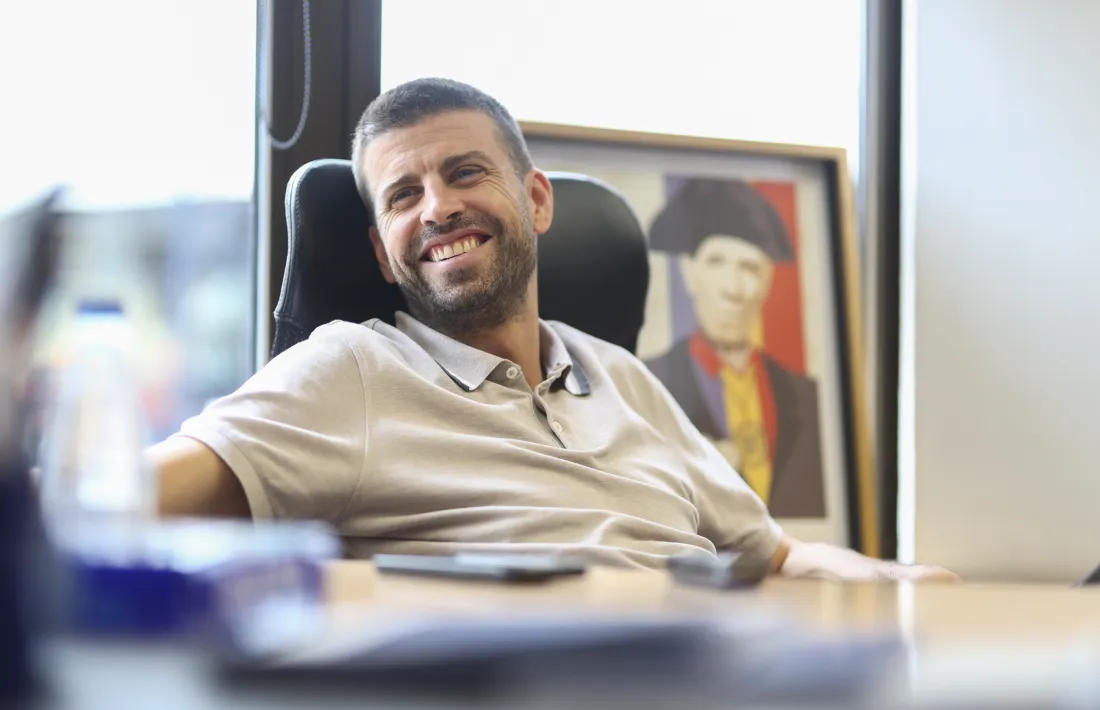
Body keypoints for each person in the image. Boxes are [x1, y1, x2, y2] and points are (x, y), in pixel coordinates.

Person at [148, 77, 957, 583]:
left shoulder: (622, 375)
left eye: (465, 172)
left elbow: (780, 555)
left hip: (710, 669)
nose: (437, 208)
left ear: (536, 201)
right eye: (402, 196)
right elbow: (127, 499)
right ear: (382, 254)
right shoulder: (351, 368)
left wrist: (896, 581)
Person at [645, 178, 825, 518]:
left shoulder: (810, 399)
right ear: (689, 272)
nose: (734, 288)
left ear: (767, 281)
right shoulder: (644, 384)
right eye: (716, 262)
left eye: (749, 267)